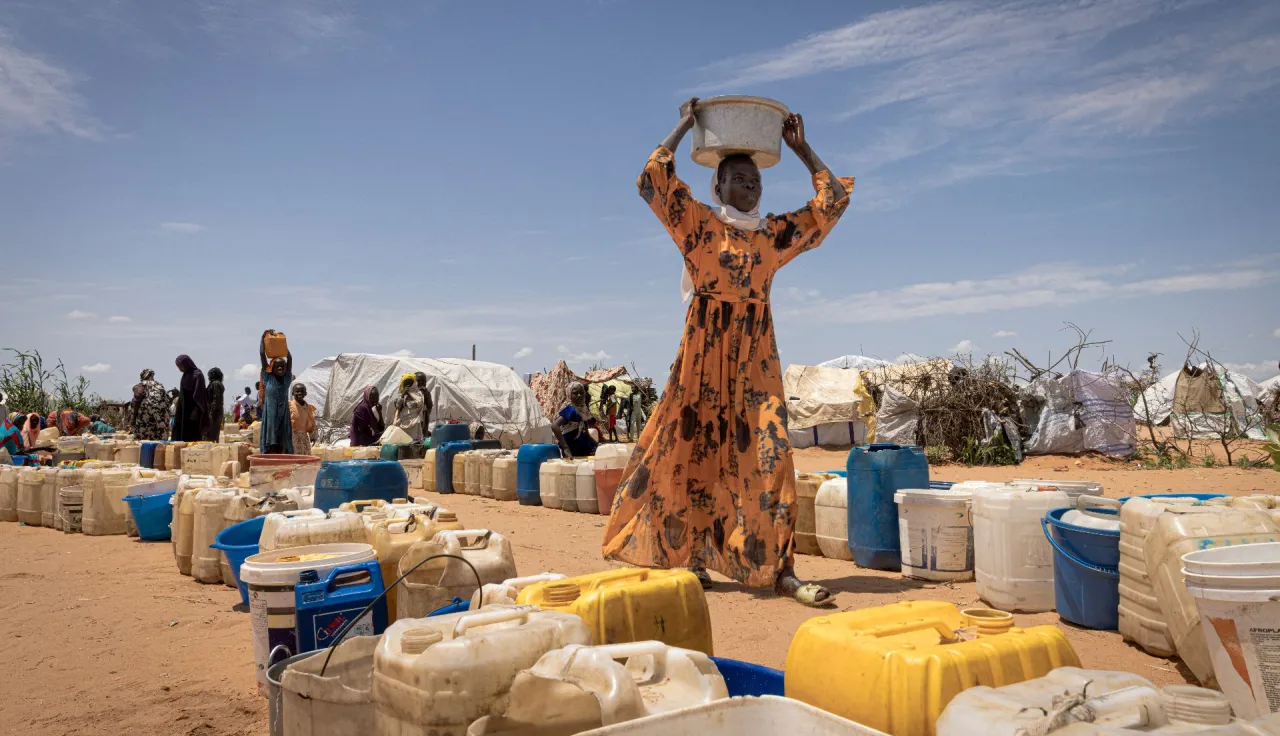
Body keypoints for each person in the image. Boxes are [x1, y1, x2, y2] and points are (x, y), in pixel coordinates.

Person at [602, 101, 853, 606]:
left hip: (756, 366)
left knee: (772, 461)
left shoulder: (773, 238)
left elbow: (830, 205)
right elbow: (652, 180)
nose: (751, 187)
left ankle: (779, 570)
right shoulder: (697, 229)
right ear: (717, 188)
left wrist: (802, 150)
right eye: (739, 179)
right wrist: (684, 125)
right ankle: (693, 555)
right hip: (702, 361)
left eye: (755, 180)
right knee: (689, 455)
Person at [258, 331, 294, 454]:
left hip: (283, 414)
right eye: (277, 367)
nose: (280, 368)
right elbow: (262, 354)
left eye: (282, 367)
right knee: (271, 438)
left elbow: (289, 358)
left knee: (282, 440)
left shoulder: (287, 379)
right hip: (271, 414)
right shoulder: (268, 378)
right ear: (272, 369)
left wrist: (283, 347)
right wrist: (263, 338)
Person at [551, 382, 598, 459]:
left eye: (581, 393)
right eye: (575, 393)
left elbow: (586, 434)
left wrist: (597, 444)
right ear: (569, 394)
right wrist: (565, 448)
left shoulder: (583, 410)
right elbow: (554, 426)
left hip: (583, 446)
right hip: (572, 448)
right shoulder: (570, 409)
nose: (579, 395)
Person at [173, 355, 209, 442]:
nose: (180, 369)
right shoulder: (185, 376)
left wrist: (196, 411)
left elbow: (199, 395)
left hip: (193, 411)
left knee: (193, 435)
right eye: (178, 367)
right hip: (183, 411)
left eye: (181, 366)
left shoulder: (197, 375)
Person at [129, 369, 168, 442]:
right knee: (159, 438)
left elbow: (137, 400)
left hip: (146, 416)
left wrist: (133, 420)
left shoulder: (141, 385)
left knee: (142, 438)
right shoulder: (160, 385)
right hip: (162, 415)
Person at [392, 372, 426, 442]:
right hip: (402, 423)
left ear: (414, 383)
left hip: (414, 423)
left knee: (413, 442)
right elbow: (398, 406)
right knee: (403, 442)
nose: (408, 386)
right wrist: (403, 395)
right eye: (406, 384)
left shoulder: (418, 393)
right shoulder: (401, 394)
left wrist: (410, 394)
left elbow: (419, 403)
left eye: (410, 383)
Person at [290, 383, 317, 456]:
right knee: (293, 458)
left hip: (304, 438)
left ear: (305, 393)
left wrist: (313, 437)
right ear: (292, 393)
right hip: (291, 437)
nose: (299, 393)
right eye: (297, 391)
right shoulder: (288, 406)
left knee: (305, 458)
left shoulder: (309, 408)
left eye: (302, 391)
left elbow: (312, 423)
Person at [206, 367, 226, 441]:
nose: (208, 377)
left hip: (215, 412)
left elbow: (216, 399)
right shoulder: (218, 383)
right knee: (214, 434)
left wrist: (211, 413)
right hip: (217, 411)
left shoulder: (215, 384)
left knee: (211, 434)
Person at [415, 372, 433, 437]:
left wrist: (426, 394)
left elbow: (429, 407)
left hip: (423, 423)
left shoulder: (426, 393)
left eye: (423, 381)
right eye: (419, 380)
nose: (421, 383)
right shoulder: (410, 392)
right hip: (412, 424)